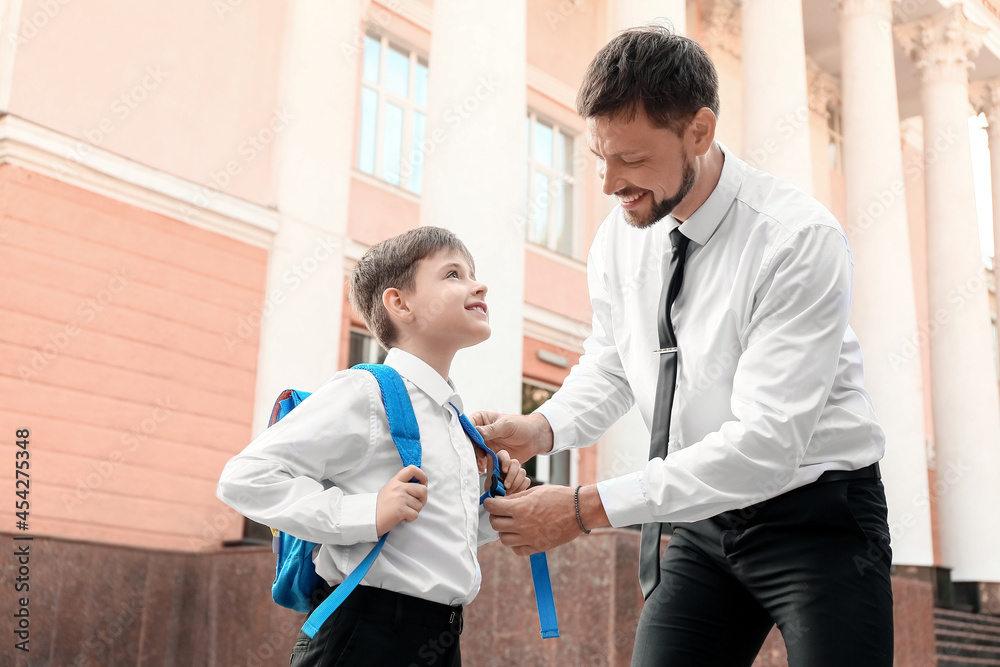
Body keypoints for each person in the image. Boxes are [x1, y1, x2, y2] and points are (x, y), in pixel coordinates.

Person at [476, 26, 893, 666]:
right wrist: (540, 428)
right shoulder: (619, 236)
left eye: (634, 160)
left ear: (699, 131)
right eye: (600, 156)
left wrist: (586, 509)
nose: (611, 183)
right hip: (703, 522)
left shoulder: (796, 240)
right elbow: (615, 365)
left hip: (819, 522)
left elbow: (768, 443)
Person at [217, 226, 529, 667]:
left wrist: (493, 509)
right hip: (363, 635)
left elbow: (425, 536)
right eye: (453, 274)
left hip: (440, 637)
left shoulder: (454, 419)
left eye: (473, 273)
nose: (478, 285)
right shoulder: (366, 392)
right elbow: (244, 478)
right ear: (399, 303)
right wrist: (366, 512)